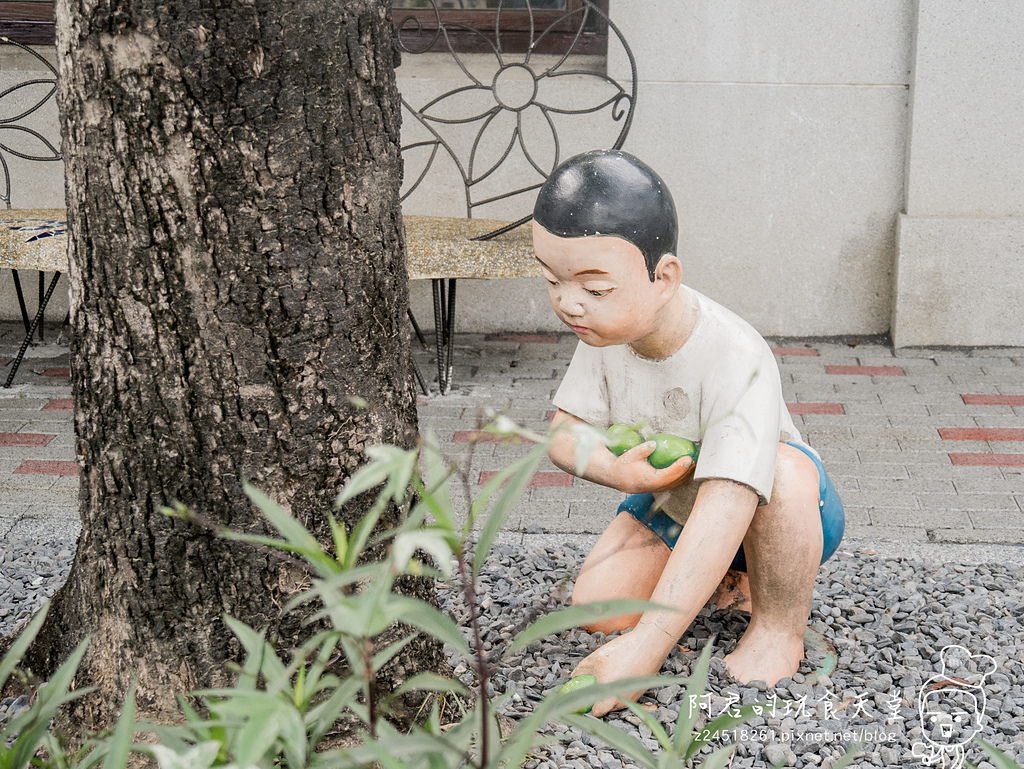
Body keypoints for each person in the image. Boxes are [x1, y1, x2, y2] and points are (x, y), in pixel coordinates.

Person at [533, 149, 845, 716]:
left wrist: (647, 650)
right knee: (600, 609)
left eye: (595, 289)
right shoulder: (602, 334)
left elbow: (729, 499)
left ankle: (778, 624)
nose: (568, 303)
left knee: (779, 468)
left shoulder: (735, 354)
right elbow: (562, 432)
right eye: (553, 279)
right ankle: (718, 579)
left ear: (664, 277)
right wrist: (613, 469)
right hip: (676, 497)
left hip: (779, 508)